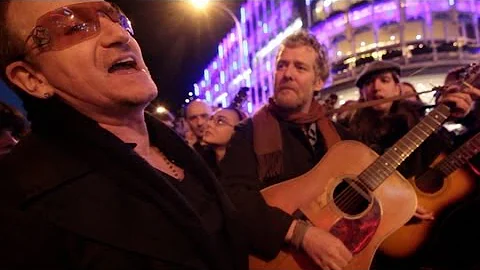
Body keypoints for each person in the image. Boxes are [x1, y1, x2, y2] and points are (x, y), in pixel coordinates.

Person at [0, 1, 247, 269]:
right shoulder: (18, 200)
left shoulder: (174, 150)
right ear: (31, 78)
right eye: (74, 27)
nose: (119, 35)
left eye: (117, 19)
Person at [219, 30, 479, 270]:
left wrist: (442, 115)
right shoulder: (248, 132)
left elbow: (389, 171)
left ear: (318, 82)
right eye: (281, 66)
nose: (287, 73)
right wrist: (301, 234)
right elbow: (233, 199)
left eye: (299, 67)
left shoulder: (341, 139)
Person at [203, 107, 247, 176]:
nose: (209, 124)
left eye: (220, 121)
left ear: (237, 131)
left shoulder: (243, 171)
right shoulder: (203, 163)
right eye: (211, 119)